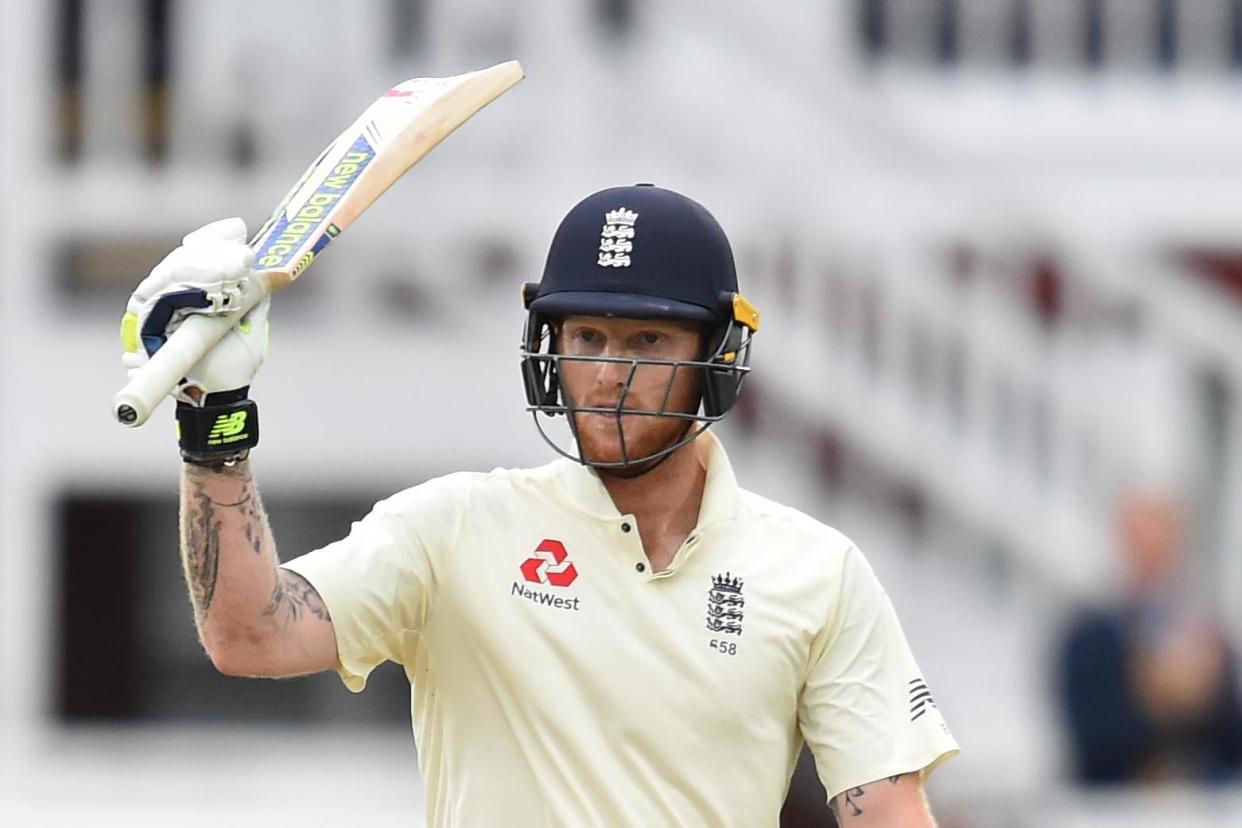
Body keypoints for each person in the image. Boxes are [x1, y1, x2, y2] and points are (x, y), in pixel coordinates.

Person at [121, 184, 959, 826]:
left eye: (648, 342)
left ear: (720, 355)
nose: (606, 373)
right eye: (586, 338)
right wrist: (214, 420)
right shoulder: (455, 531)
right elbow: (248, 633)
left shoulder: (814, 571)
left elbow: (887, 814)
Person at [1059, 488, 1242, 785]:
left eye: (1161, 540)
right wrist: (1160, 700)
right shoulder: (1089, 638)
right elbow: (1093, 745)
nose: (1151, 553)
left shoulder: (1208, 637)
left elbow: (1232, 746)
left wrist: (1207, 694)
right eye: (1141, 540)